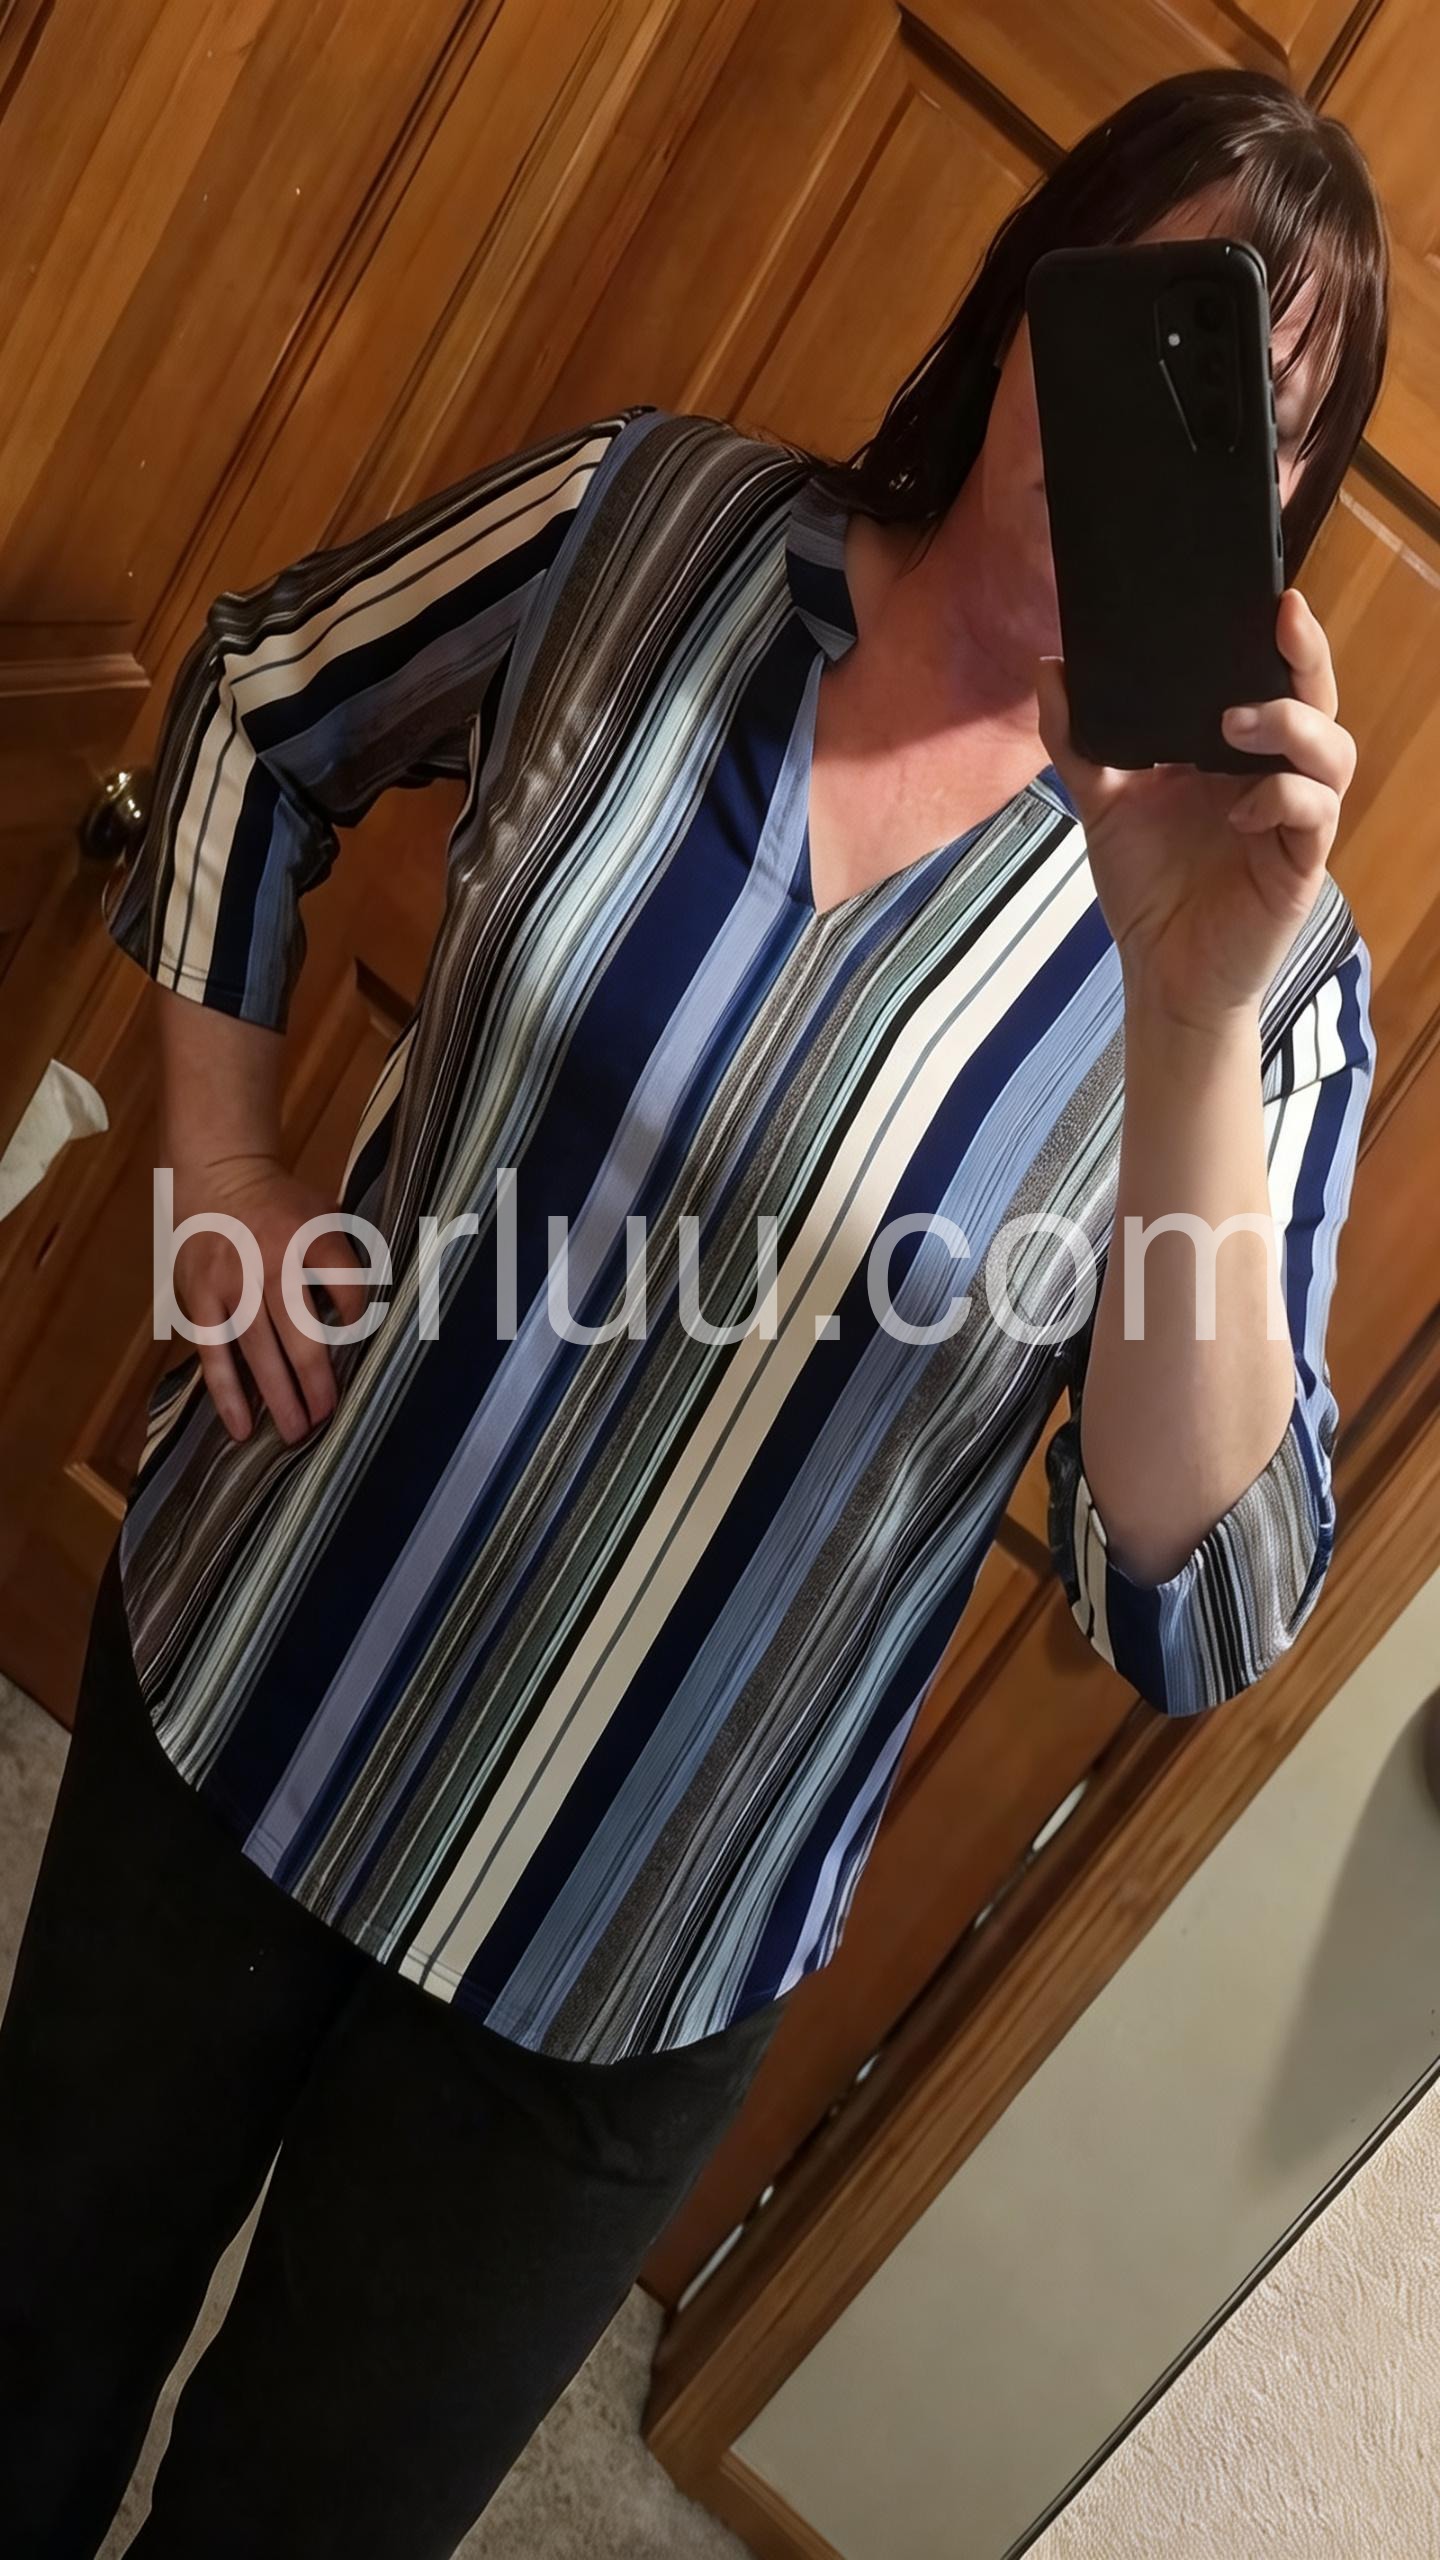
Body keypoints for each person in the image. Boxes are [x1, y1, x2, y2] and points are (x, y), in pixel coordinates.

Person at [0, 65, 1385, 2560]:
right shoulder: (647, 530)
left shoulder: (1272, 975)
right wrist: (217, 1161)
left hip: (619, 1932)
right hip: (259, 1668)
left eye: (1266, 421)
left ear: (1288, 510)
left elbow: (1198, 1595)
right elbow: (258, 707)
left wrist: (1185, 1005)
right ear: (1032, 303)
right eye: (1162, 334)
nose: (1182, 439)